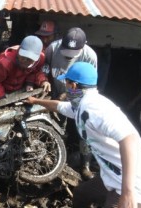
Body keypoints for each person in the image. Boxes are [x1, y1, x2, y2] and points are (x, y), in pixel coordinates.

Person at [26, 62, 141, 208]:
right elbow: (58, 106)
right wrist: (35, 101)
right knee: (82, 194)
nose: (66, 87)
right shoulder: (81, 105)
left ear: (74, 86)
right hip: (111, 175)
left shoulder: (95, 108)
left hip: (133, 182)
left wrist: (128, 191)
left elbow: (129, 139)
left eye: (67, 83)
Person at [42, 27, 97, 179]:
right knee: (58, 127)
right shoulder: (52, 49)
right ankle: (57, 159)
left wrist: (66, 94)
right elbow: (44, 70)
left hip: (80, 98)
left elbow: (89, 85)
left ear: (83, 46)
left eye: (72, 55)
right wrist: (44, 82)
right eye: (65, 52)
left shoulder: (89, 55)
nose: (68, 58)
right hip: (55, 93)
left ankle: (85, 166)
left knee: (84, 130)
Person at [0, 35, 51, 103]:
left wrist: (41, 81)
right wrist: (2, 98)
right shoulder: (3, 62)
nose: (25, 60)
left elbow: (35, 72)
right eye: (23, 56)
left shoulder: (41, 58)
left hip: (18, 88)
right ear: (19, 50)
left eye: (30, 59)